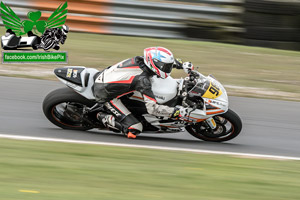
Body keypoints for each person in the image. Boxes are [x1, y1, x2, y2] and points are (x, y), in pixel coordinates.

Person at [93, 47, 194, 139]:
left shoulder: (143, 60)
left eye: (168, 66)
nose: (167, 69)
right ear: (154, 63)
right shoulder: (143, 81)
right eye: (166, 67)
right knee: (135, 128)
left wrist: (182, 65)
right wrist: (175, 112)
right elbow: (152, 109)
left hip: (110, 80)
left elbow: (163, 63)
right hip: (106, 94)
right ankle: (100, 116)